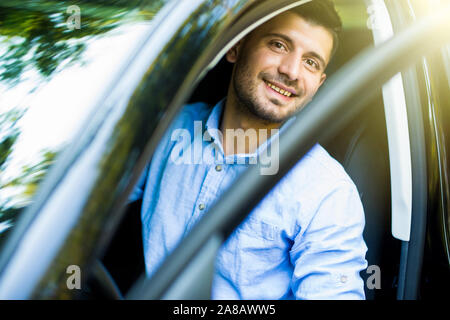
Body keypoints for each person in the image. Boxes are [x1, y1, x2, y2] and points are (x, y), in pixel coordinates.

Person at [131, 0, 368, 299]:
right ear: (236, 47)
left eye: (311, 62)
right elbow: (87, 201)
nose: (291, 71)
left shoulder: (326, 192)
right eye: (279, 45)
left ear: (319, 84)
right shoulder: (167, 129)